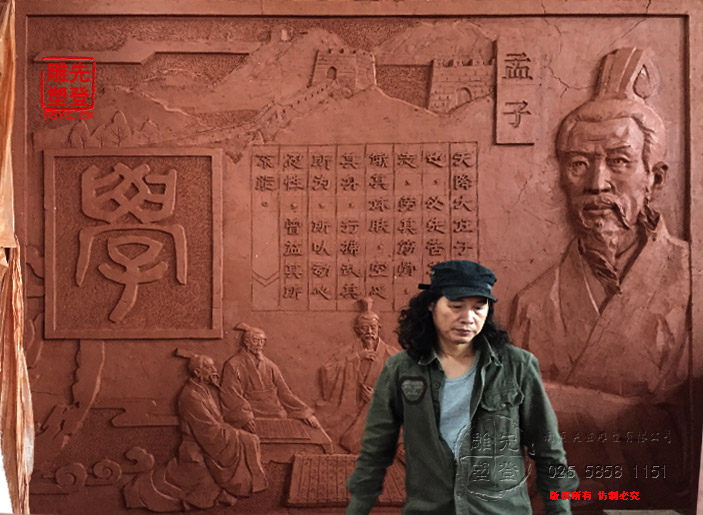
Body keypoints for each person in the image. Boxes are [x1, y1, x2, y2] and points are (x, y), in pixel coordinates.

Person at [510, 47, 689, 396]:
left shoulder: (693, 281)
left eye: (619, 161)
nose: (596, 184)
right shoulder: (533, 304)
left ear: (655, 179)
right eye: (578, 164)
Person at [347, 260, 577, 514]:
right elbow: (375, 454)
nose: (468, 318)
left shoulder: (517, 366)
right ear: (431, 304)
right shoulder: (401, 369)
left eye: (479, 307)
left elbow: (548, 452)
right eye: (456, 306)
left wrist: (560, 511)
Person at [166, 350, 268, 510]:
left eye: (213, 367)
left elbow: (217, 421)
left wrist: (239, 424)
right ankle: (234, 490)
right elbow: (208, 430)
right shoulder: (192, 396)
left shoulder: (204, 390)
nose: (214, 371)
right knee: (247, 440)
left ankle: (235, 490)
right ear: (197, 372)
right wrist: (237, 435)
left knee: (248, 439)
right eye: (209, 368)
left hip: (211, 437)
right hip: (200, 445)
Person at [317, 297, 399, 453]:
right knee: (322, 422)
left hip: (377, 412)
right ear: (357, 330)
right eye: (364, 328)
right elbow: (327, 371)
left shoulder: (392, 355)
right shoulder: (349, 351)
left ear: (379, 328)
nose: (369, 332)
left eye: (373, 328)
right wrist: (355, 358)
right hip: (348, 409)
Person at [220, 322, 321, 433]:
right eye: (256, 340)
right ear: (246, 342)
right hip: (251, 413)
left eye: (262, 341)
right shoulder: (233, 365)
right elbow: (231, 395)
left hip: (275, 412)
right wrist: (245, 418)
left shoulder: (270, 366)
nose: (259, 344)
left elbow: (284, 393)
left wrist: (305, 413)